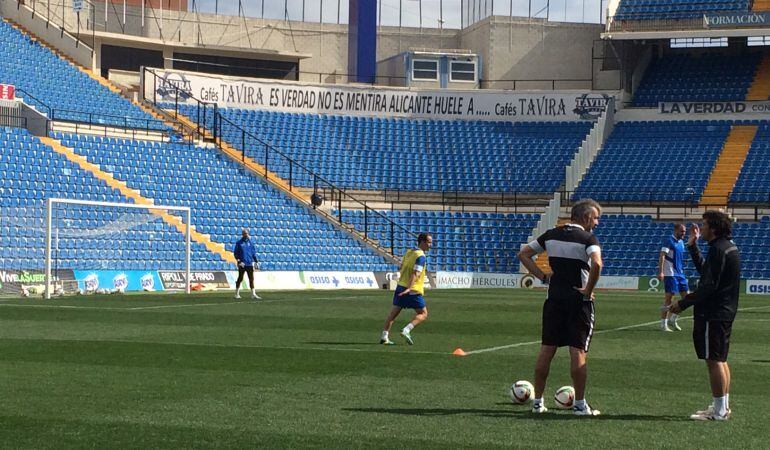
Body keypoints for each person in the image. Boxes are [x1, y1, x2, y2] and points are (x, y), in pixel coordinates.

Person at [518, 199, 603, 416]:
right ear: (585, 217)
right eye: (595, 218)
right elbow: (597, 263)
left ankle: (538, 403)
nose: (597, 223)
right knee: (578, 352)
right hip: (579, 303)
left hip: (554, 299)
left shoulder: (551, 235)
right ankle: (580, 406)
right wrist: (588, 289)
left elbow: (524, 254)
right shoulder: (588, 239)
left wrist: (543, 277)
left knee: (547, 350)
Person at [669, 211, 740, 421]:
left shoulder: (719, 250)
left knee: (714, 360)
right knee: (720, 359)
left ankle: (719, 411)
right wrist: (693, 247)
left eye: (705, 224)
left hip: (714, 312)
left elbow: (709, 286)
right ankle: (722, 407)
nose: (702, 227)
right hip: (723, 311)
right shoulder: (726, 247)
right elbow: (707, 273)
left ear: (714, 228)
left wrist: (682, 303)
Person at [380, 233, 433, 346]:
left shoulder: (409, 252)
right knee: (423, 314)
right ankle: (406, 330)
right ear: (422, 242)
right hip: (412, 289)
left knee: (393, 314)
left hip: (400, 286)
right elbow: (415, 273)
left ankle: (384, 337)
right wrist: (409, 288)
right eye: (429, 242)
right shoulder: (421, 257)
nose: (430, 245)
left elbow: (401, 266)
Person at [657, 223, 688, 332]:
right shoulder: (669, 241)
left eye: (684, 231)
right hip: (670, 273)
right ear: (676, 230)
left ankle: (673, 318)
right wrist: (661, 272)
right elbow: (662, 255)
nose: (684, 233)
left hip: (680, 274)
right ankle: (663, 324)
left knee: (687, 298)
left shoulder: (681, 242)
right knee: (669, 299)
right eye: (682, 231)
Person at [233, 228, 261, 300]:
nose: (246, 235)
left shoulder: (251, 243)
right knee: (240, 278)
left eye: (247, 233)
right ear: (242, 234)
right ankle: (236, 294)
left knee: (251, 279)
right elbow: (235, 253)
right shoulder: (239, 243)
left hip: (249, 264)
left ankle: (253, 294)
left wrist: (256, 261)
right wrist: (239, 261)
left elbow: (253, 253)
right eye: (244, 233)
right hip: (242, 264)